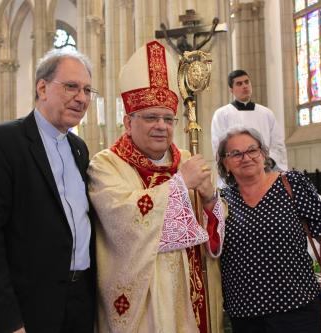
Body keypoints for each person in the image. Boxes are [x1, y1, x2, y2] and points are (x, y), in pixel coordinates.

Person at [88, 40, 225, 333]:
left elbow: (208, 236)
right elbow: (124, 227)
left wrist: (211, 200)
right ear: (128, 121)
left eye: (168, 118)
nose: (161, 125)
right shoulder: (105, 166)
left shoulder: (187, 160)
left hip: (192, 298)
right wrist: (180, 184)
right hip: (146, 308)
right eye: (151, 117)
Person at [0, 49, 97, 333]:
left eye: (87, 90)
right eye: (71, 86)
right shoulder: (1, 143)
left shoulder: (79, 149)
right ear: (42, 88)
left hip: (76, 304)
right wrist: (9, 321)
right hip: (24, 308)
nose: (82, 98)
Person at [216, 127, 321, 333]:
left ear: (263, 155)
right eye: (235, 154)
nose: (246, 158)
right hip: (245, 315)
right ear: (225, 163)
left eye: (252, 150)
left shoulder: (292, 183)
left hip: (297, 309)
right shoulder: (222, 199)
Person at [211, 69, 288, 180]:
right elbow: (219, 147)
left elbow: (278, 144)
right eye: (239, 83)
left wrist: (267, 162)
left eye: (247, 82)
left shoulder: (266, 113)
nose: (245, 86)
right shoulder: (222, 114)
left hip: (266, 172)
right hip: (237, 174)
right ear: (231, 90)